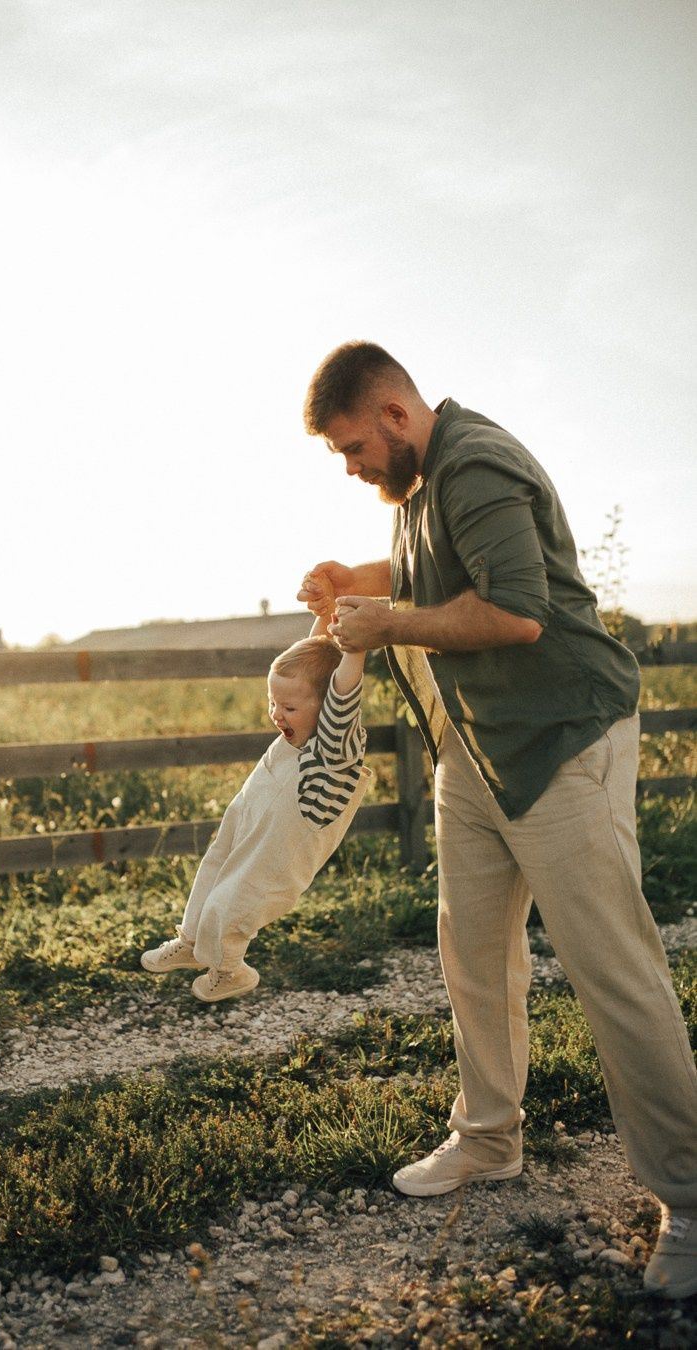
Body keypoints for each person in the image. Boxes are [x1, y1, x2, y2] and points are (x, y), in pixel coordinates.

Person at [297, 339, 697, 1300]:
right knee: (472, 950)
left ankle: (691, 1197)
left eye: (353, 448)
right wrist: (354, 577)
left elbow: (514, 612)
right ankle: (487, 1140)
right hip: (474, 754)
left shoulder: (473, 464)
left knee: (613, 968)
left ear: (394, 414)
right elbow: (431, 572)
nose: (351, 469)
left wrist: (384, 623)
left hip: (560, 742)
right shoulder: (419, 487)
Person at [141, 575, 371, 1002]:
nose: (275, 714)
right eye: (272, 703)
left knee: (236, 900)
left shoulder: (334, 747)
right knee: (215, 866)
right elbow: (314, 665)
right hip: (251, 818)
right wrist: (324, 616)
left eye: (287, 707)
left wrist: (354, 651)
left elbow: (339, 690)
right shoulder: (300, 727)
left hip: (281, 853)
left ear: (326, 709)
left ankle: (231, 970)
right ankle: (192, 942)